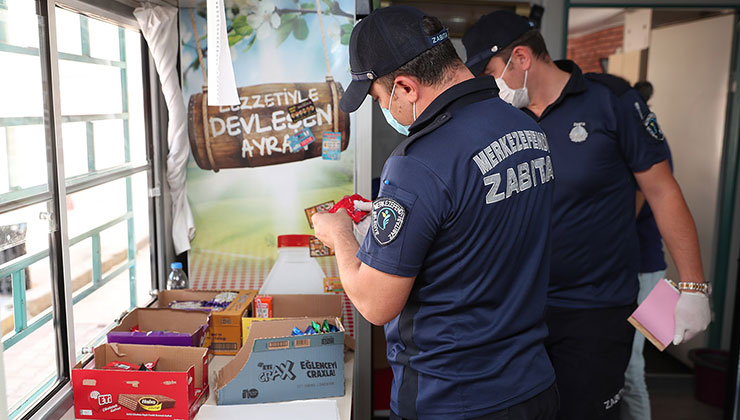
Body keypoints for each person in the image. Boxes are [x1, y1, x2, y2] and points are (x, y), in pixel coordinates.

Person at [312, 6, 558, 420]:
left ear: (406, 87)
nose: (384, 110)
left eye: (378, 98)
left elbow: (375, 303)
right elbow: (478, 222)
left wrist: (339, 234)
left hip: (453, 397)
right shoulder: (526, 129)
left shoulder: (417, 162)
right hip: (532, 385)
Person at [463, 11, 711, 420]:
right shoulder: (503, 118)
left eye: (490, 72)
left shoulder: (610, 102)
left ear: (521, 58)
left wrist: (693, 287)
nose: (490, 86)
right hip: (519, 311)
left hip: (593, 310)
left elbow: (662, 191)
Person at [622, 80, 671, 420]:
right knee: (631, 365)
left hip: (647, 271)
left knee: (631, 367)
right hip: (654, 267)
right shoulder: (655, 138)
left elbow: (628, 215)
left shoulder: (645, 144)